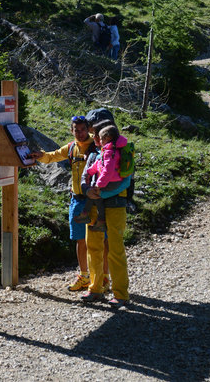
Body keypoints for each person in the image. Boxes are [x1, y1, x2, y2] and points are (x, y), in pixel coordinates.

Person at [29, 116, 110, 291]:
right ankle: (84, 276)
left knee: (102, 241)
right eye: (76, 130)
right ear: (71, 130)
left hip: (95, 201)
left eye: (82, 129)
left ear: (88, 129)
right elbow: (53, 156)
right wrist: (40, 156)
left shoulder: (97, 146)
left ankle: (104, 277)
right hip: (77, 200)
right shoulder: (72, 147)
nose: (80, 133)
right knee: (80, 240)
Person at [80, 121, 130, 308]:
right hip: (97, 204)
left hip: (115, 204)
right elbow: (85, 175)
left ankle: (121, 294)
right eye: (93, 134)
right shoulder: (95, 154)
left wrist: (97, 192)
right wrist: (87, 190)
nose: (93, 138)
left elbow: (125, 182)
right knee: (93, 246)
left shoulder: (121, 154)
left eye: (96, 134)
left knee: (115, 248)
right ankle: (95, 289)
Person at [74, 125, 126, 232]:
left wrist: (99, 184)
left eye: (100, 138)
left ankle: (95, 218)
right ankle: (90, 216)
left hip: (112, 182)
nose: (97, 139)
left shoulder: (110, 152)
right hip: (109, 181)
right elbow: (99, 164)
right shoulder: (108, 150)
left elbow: (108, 170)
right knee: (95, 193)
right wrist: (89, 171)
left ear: (107, 138)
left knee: (96, 194)